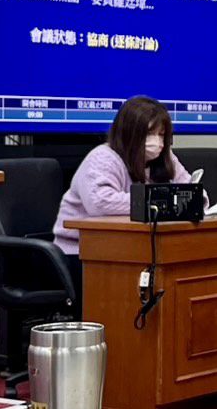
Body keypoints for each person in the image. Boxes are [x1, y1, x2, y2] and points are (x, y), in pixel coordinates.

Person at [53, 96, 191, 289]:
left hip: (134, 251)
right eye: (149, 133)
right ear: (130, 132)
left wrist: (191, 200)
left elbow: (191, 191)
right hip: (80, 255)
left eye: (161, 135)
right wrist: (161, 201)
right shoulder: (103, 157)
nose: (157, 142)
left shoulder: (165, 158)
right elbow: (100, 203)